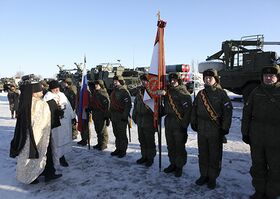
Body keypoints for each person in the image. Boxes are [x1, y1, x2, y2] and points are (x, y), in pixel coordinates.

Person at [10, 82, 62, 184]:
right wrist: (53, 104)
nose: (42, 92)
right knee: (40, 154)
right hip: (37, 136)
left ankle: (42, 174)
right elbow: (44, 112)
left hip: (31, 136)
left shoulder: (28, 102)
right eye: (40, 91)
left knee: (37, 155)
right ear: (34, 93)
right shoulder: (37, 104)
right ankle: (42, 175)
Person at [241, 65, 280, 199]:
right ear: (262, 77)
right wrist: (245, 132)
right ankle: (259, 190)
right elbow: (247, 113)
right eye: (266, 76)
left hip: (276, 138)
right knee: (258, 166)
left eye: (272, 76)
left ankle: (272, 193)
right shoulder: (256, 91)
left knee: (276, 168)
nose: (268, 78)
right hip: (257, 136)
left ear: (277, 77)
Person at [191, 69, 232, 189]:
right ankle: (204, 175)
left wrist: (224, 128)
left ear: (216, 79)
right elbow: (194, 109)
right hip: (202, 129)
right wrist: (193, 122)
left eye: (210, 78)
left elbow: (228, 112)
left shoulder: (221, 94)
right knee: (203, 154)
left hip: (215, 129)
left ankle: (212, 177)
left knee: (214, 155)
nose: (208, 80)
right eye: (206, 78)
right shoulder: (200, 94)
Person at [157, 73, 192, 177]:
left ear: (179, 80)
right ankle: (172, 163)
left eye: (175, 80)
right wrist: (159, 112)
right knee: (170, 145)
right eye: (171, 79)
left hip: (179, 122)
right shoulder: (168, 92)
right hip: (169, 122)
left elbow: (188, 111)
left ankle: (179, 166)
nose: (172, 81)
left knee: (179, 146)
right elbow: (166, 108)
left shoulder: (183, 92)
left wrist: (184, 125)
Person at [44, 80, 76, 168]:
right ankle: (56, 158)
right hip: (55, 123)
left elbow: (68, 106)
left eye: (57, 88)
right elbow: (45, 110)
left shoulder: (62, 94)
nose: (56, 90)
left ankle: (62, 156)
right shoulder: (47, 96)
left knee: (64, 138)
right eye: (54, 88)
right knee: (56, 140)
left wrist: (73, 117)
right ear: (51, 89)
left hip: (65, 121)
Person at [132, 74, 156, 167]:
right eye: (142, 80)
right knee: (142, 139)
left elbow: (156, 107)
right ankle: (144, 156)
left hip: (148, 120)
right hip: (140, 119)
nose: (143, 82)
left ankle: (150, 158)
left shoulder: (152, 92)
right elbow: (136, 105)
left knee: (149, 140)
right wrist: (134, 116)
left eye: (145, 81)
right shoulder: (140, 92)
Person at [109, 75, 132, 158]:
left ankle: (123, 150)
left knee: (122, 134)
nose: (115, 82)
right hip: (114, 115)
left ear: (121, 81)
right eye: (114, 80)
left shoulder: (124, 91)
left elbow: (128, 105)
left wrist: (125, 116)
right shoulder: (114, 91)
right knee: (116, 133)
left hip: (121, 115)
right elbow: (111, 104)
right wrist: (110, 114)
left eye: (117, 81)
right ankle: (118, 148)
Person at [88, 80, 110, 150]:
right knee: (97, 129)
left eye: (97, 85)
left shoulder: (103, 93)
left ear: (101, 85)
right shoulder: (95, 93)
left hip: (101, 114)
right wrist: (90, 108)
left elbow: (107, 106)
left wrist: (107, 116)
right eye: (95, 85)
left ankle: (104, 143)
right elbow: (93, 102)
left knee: (102, 130)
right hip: (95, 113)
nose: (95, 86)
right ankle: (99, 142)